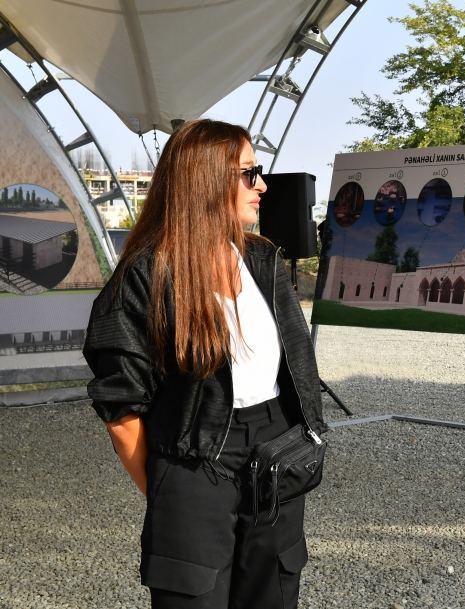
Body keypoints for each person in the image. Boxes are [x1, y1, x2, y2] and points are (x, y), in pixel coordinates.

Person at [83, 119, 328, 609]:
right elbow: (121, 407)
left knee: (274, 593)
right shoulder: (146, 276)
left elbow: (296, 366)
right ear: (204, 179)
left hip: (277, 452)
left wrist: (308, 435)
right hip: (194, 457)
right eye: (248, 172)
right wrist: (172, 493)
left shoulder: (262, 260)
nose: (262, 185)